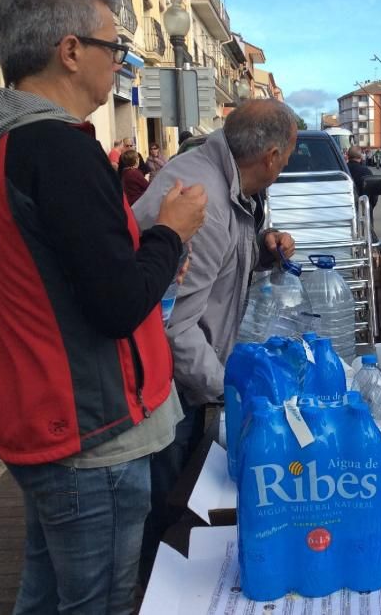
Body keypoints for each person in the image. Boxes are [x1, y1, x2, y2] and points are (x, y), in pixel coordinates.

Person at [0, 0, 207, 614]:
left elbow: (74, 279)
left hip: (44, 418)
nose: (119, 63)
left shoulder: (0, 146)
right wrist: (170, 232)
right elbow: (115, 306)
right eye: (114, 47)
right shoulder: (59, 149)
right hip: (91, 434)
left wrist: (148, 257)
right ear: (70, 52)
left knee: (43, 598)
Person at [131, 99, 297, 584]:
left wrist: (263, 251)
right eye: (286, 156)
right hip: (161, 387)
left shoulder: (229, 187)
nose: (285, 166)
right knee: (161, 519)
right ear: (269, 156)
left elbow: (212, 275)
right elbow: (173, 325)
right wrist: (230, 389)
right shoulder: (203, 198)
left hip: (175, 381)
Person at [347, 145, 378, 218]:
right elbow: (374, 195)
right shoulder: (366, 171)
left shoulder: (342, 170)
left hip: (346, 208)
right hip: (364, 212)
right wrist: (369, 206)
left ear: (348, 156)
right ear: (361, 156)